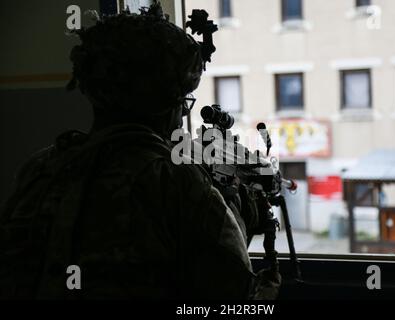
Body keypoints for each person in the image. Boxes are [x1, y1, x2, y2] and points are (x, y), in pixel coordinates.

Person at [0, 3, 280, 299]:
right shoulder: (177, 184)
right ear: (166, 105)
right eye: (183, 102)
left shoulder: (40, 169)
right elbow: (235, 296)